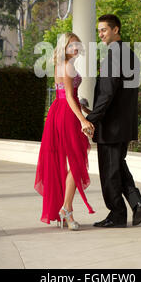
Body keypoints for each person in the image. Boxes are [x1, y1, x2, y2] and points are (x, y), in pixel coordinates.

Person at [81, 14, 141, 228]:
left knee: (109, 172)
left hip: (111, 125)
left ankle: (117, 214)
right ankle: (136, 203)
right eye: (99, 30)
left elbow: (107, 93)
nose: (100, 34)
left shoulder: (114, 55)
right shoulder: (130, 55)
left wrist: (90, 119)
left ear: (115, 30)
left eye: (104, 30)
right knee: (118, 165)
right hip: (125, 124)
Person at [34, 32, 95, 231]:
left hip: (61, 111)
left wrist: (83, 108)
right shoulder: (67, 66)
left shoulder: (63, 65)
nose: (75, 47)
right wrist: (82, 119)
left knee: (75, 160)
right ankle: (66, 209)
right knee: (77, 161)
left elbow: (66, 94)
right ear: (63, 47)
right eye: (71, 45)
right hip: (67, 114)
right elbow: (68, 96)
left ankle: (65, 208)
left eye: (77, 43)